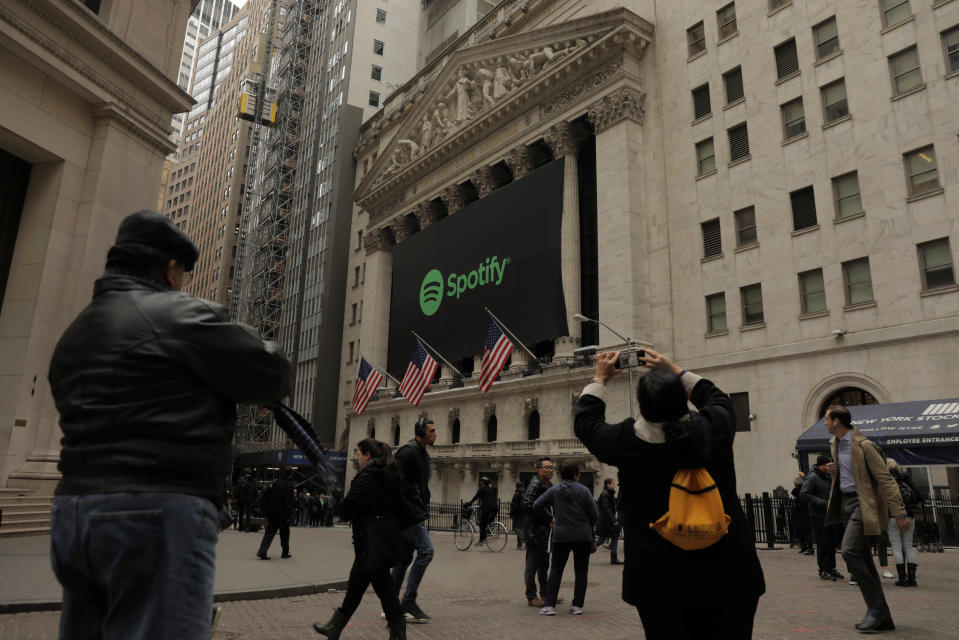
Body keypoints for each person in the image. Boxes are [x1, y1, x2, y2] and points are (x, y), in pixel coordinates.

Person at [48, 210, 291, 639]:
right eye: (182, 272)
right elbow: (270, 370)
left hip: (74, 515)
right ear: (170, 267)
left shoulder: (74, 333)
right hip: (155, 513)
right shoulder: (172, 314)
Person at [574, 348, 765, 640]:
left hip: (658, 584)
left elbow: (586, 423)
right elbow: (718, 398)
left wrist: (601, 377)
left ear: (640, 406)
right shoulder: (716, 428)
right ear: (684, 399)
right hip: (729, 575)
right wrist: (674, 369)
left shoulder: (624, 443)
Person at [822, 404, 909, 633]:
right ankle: (882, 614)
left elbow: (886, 479)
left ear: (837, 422)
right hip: (845, 505)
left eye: (827, 419)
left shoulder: (864, 445)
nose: (824, 423)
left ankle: (876, 610)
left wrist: (899, 512)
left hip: (863, 505)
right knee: (862, 558)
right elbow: (849, 474)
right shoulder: (835, 444)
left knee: (849, 551)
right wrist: (834, 471)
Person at [313, 439, 407, 640]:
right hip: (379, 541)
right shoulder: (389, 473)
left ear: (367, 455)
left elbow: (347, 509)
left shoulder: (369, 476)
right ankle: (334, 627)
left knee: (385, 590)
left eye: (358, 453)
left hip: (372, 543)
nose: (356, 457)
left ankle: (398, 634)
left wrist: (339, 499)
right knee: (357, 585)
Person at [533, 461, 598, 615]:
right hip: (583, 536)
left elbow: (536, 505)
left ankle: (549, 605)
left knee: (556, 569)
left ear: (561, 474)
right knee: (581, 571)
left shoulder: (554, 490)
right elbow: (595, 514)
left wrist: (551, 518)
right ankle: (577, 606)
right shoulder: (584, 490)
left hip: (561, 535)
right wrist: (587, 524)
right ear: (576, 474)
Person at [391, 417, 437, 623]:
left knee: (403, 559)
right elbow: (391, 478)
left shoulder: (422, 453)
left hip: (415, 511)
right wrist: (409, 499)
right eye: (431, 431)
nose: (435, 434)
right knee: (426, 551)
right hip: (408, 514)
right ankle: (408, 600)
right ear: (421, 433)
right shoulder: (408, 452)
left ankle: (390, 604)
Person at [802, 454, 843, 581]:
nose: (831, 466)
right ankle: (824, 569)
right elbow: (804, 494)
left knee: (831, 542)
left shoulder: (829, 476)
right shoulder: (813, 477)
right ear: (822, 465)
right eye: (829, 464)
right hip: (819, 515)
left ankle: (831, 567)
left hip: (830, 514)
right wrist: (823, 502)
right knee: (823, 542)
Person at [522, 457, 555, 607]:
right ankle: (531, 596)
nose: (550, 470)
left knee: (544, 565)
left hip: (545, 532)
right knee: (532, 565)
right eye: (546, 467)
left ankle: (546, 594)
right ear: (538, 470)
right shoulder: (534, 485)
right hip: (534, 532)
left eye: (551, 467)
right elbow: (528, 505)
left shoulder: (549, 485)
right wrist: (548, 518)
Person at [886, 458, 920, 587]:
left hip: (892, 516)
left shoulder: (886, 482)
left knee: (896, 545)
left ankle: (902, 578)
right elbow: (919, 496)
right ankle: (912, 578)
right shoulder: (905, 480)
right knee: (908, 545)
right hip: (909, 515)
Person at [257, 467, 295, 560]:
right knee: (285, 533)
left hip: (273, 512)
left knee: (269, 533)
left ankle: (262, 551)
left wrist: (265, 509)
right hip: (283, 514)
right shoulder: (289, 485)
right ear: (290, 474)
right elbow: (288, 502)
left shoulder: (275, 482)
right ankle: (285, 552)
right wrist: (289, 515)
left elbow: (266, 495)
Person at [595, 477, 622, 564]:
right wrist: (614, 520)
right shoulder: (605, 494)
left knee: (615, 536)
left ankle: (614, 558)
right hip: (605, 522)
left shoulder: (609, 494)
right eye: (613, 484)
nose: (614, 485)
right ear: (608, 484)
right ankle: (586, 549)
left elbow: (614, 505)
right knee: (602, 540)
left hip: (608, 521)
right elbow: (607, 510)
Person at [467, 477, 498, 545]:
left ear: (483, 483)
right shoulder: (491, 489)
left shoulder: (482, 489)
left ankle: (481, 541)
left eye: (481, 482)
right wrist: (481, 506)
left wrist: (469, 503)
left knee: (482, 524)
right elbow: (489, 499)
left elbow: (476, 497)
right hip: (495, 508)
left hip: (487, 509)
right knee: (487, 523)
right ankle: (485, 536)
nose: (481, 483)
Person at [791, 472, 813, 554]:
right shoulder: (801, 491)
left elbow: (802, 504)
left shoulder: (800, 492)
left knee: (805, 532)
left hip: (803, 515)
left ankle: (809, 547)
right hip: (802, 515)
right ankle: (804, 546)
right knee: (801, 532)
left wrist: (796, 506)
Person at [236, 468, 258, 532]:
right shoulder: (254, 480)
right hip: (249, 499)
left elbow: (237, 489)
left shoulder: (240, 479)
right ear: (250, 473)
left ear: (244, 473)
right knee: (248, 514)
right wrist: (256, 498)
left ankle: (240, 527)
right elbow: (255, 490)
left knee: (241, 513)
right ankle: (247, 528)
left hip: (241, 499)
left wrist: (238, 497)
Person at [510, 481, 527, 550]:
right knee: (522, 528)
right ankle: (519, 545)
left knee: (516, 528)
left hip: (518, 513)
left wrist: (512, 513)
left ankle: (525, 541)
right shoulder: (525, 493)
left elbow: (514, 505)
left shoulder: (517, 493)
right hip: (525, 513)